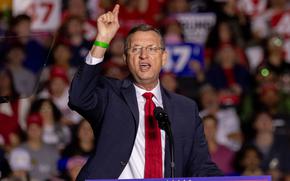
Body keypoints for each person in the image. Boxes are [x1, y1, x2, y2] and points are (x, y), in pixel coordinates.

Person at [68, 4, 222, 180]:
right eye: (135, 49)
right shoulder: (111, 95)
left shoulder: (186, 109)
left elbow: (201, 165)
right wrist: (102, 39)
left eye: (152, 48)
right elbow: (78, 98)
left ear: (163, 58)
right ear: (125, 58)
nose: (143, 55)